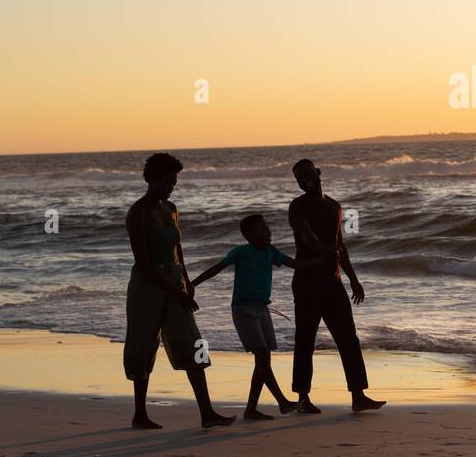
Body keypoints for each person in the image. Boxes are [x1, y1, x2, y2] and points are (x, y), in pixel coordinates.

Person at [123, 152, 235, 430]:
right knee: (144, 345)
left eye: (174, 182)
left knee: (191, 341)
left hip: (175, 282)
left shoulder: (171, 208)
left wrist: (187, 282)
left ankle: (207, 412)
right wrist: (175, 291)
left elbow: (178, 249)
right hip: (148, 286)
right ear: (152, 179)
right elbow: (143, 262)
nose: (171, 187)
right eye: (167, 181)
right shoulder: (138, 212)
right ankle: (140, 414)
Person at [187, 213, 332, 420]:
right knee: (262, 355)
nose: (268, 232)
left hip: (263, 310)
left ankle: (251, 409)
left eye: (267, 228)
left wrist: (323, 258)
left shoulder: (271, 252)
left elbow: (297, 264)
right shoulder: (241, 252)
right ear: (248, 235)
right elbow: (217, 268)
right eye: (262, 229)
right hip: (243, 309)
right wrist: (192, 284)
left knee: (263, 359)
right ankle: (282, 401)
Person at [287, 159, 385, 413]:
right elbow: (305, 234)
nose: (306, 181)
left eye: (309, 175)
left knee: (348, 338)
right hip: (307, 282)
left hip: (333, 282)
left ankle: (358, 395)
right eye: (300, 179)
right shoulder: (297, 207)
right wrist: (323, 251)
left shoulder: (334, 206)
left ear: (318, 173)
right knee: (305, 340)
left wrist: (353, 278)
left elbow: (340, 244)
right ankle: (302, 398)